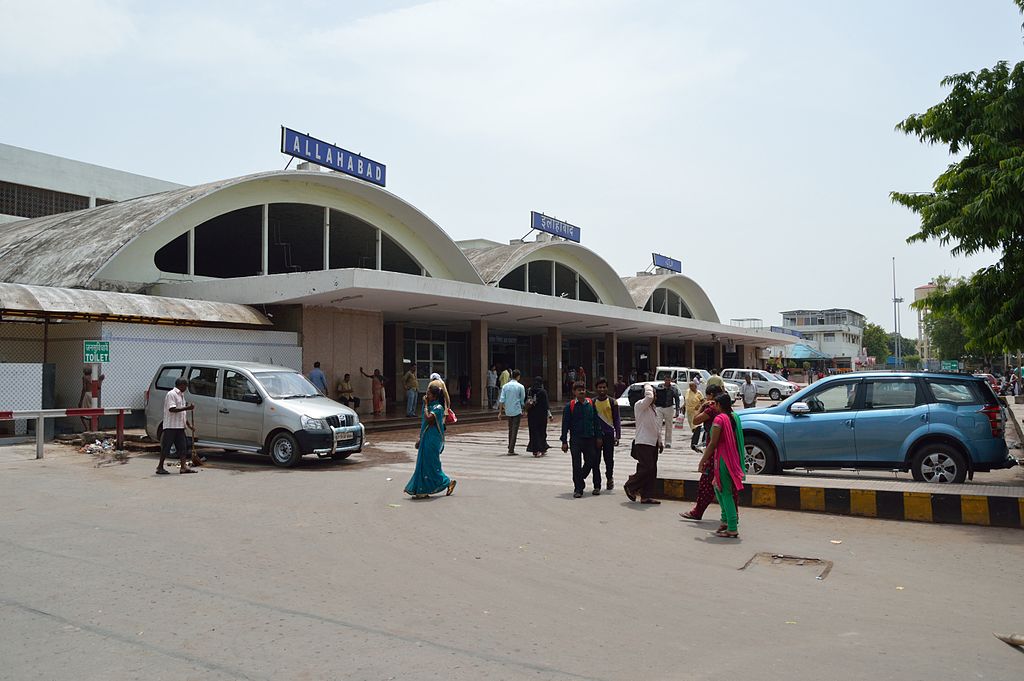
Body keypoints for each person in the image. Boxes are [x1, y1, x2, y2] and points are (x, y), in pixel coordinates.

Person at [694, 393, 746, 538]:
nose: (713, 406)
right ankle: (725, 520)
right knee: (717, 486)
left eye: (715, 404)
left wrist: (702, 461)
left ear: (719, 405)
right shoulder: (733, 417)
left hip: (723, 458)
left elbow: (713, 443)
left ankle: (732, 527)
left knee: (725, 491)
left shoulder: (719, 419)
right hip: (730, 456)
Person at [404, 382, 457, 499]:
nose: (426, 396)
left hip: (433, 440)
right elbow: (424, 424)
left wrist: (426, 405)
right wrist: (420, 438)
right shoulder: (429, 406)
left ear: (434, 396)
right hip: (426, 438)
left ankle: (447, 482)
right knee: (423, 464)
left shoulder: (438, 408)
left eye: (428, 394)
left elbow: (429, 419)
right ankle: (422, 489)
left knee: (431, 465)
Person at [560, 382, 604, 497]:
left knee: (591, 460)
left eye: (583, 389)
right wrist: (564, 441)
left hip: (590, 438)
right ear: (574, 392)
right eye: (578, 390)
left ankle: (581, 477)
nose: (581, 392)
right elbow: (565, 424)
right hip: (576, 440)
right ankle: (578, 489)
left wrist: (599, 436)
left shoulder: (590, 404)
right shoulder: (570, 406)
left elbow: (596, 421)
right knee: (576, 464)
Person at [623, 383, 662, 504]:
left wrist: (659, 442)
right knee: (646, 468)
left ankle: (646, 495)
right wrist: (647, 385)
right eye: (654, 394)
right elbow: (649, 397)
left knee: (652, 470)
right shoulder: (640, 405)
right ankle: (630, 485)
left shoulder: (653, 408)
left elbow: (656, 427)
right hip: (643, 442)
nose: (655, 397)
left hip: (653, 442)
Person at [156, 377, 196, 475]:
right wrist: (187, 407)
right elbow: (172, 409)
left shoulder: (182, 395)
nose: (186, 388)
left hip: (179, 426)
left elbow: (182, 413)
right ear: (181, 385)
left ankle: (183, 467)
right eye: (185, 385)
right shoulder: (171, 394)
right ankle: (160, 467)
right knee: (166, 447)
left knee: (183, 447)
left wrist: (189, 425)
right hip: (171, 426)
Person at [593, 378, 621, 490]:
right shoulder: (592, 402)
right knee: (596, 460)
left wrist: (617, 435)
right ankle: (597, 485)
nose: (602, 389)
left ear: (607, 388)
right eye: (600, 387)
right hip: (596, 437)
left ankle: (609, 478)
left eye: (604, 387)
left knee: (609, 459)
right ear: (596, 389)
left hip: (609, 435)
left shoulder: (613, 402)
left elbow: (617, 419)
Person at [498, 369, 526, 455]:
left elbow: (501, 400)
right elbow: (522, 400)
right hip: (517, 410)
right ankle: (511, 449)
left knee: (510, 429)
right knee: (514, 430)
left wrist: (500, 412)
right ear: (518, 376)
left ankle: (510, 445)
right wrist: (523, 409)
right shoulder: (520, 387)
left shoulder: (505, 386)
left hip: (508, 410)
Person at [525, 376, 552, 457]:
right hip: (541, 416)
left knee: (533, 432)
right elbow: (546, 405)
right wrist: (550, 415)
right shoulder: (543, 392)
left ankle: (534, 449)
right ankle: (541, 448)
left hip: (532, 415)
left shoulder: (530, 390)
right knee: (541, 432)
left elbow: (526, 401)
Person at [654, 375, 680, 448]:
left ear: (671, 381)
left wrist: (677, 410)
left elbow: (677, 399)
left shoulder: (673, 389)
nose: (667, 382)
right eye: (666, 380)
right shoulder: (660, 387)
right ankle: (658, 441)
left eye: (669, 380)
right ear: (664, 380)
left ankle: (668, 442)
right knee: (658, 425)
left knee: (669, 426)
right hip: (659, 408)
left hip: (669, 408)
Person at [684, 380, 704, 451]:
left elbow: (702, 401)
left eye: (692, 386)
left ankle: (694, 442)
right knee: (692, 427)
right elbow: (685, 399)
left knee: (697, 427)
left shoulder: (699, 393)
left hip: (696, 411)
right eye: (690, 386)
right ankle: (695, 439)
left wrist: (699, 406)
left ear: (695, 386)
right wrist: (683, 406)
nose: (690, 387)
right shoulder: (687, 391)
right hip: (689, 412)